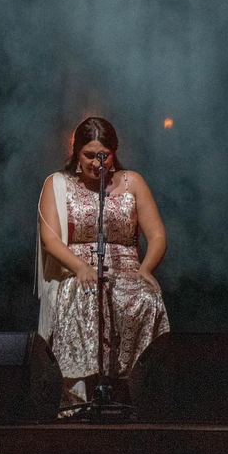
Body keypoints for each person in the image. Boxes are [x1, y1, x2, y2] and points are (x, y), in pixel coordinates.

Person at [36, 116, 170, 402]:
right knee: (88, 294)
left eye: (104, 156)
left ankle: (136, 391)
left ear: (114, 153)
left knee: (145, 298)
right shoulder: (58, 184)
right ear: (75, 152)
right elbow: (50, 240)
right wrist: (82, 267)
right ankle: (85, 391)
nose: (97, 163)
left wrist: (146, 269)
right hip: (76, 269)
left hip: (128, 269)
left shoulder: (132, 182)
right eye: (89, 155)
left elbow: (157, 236)